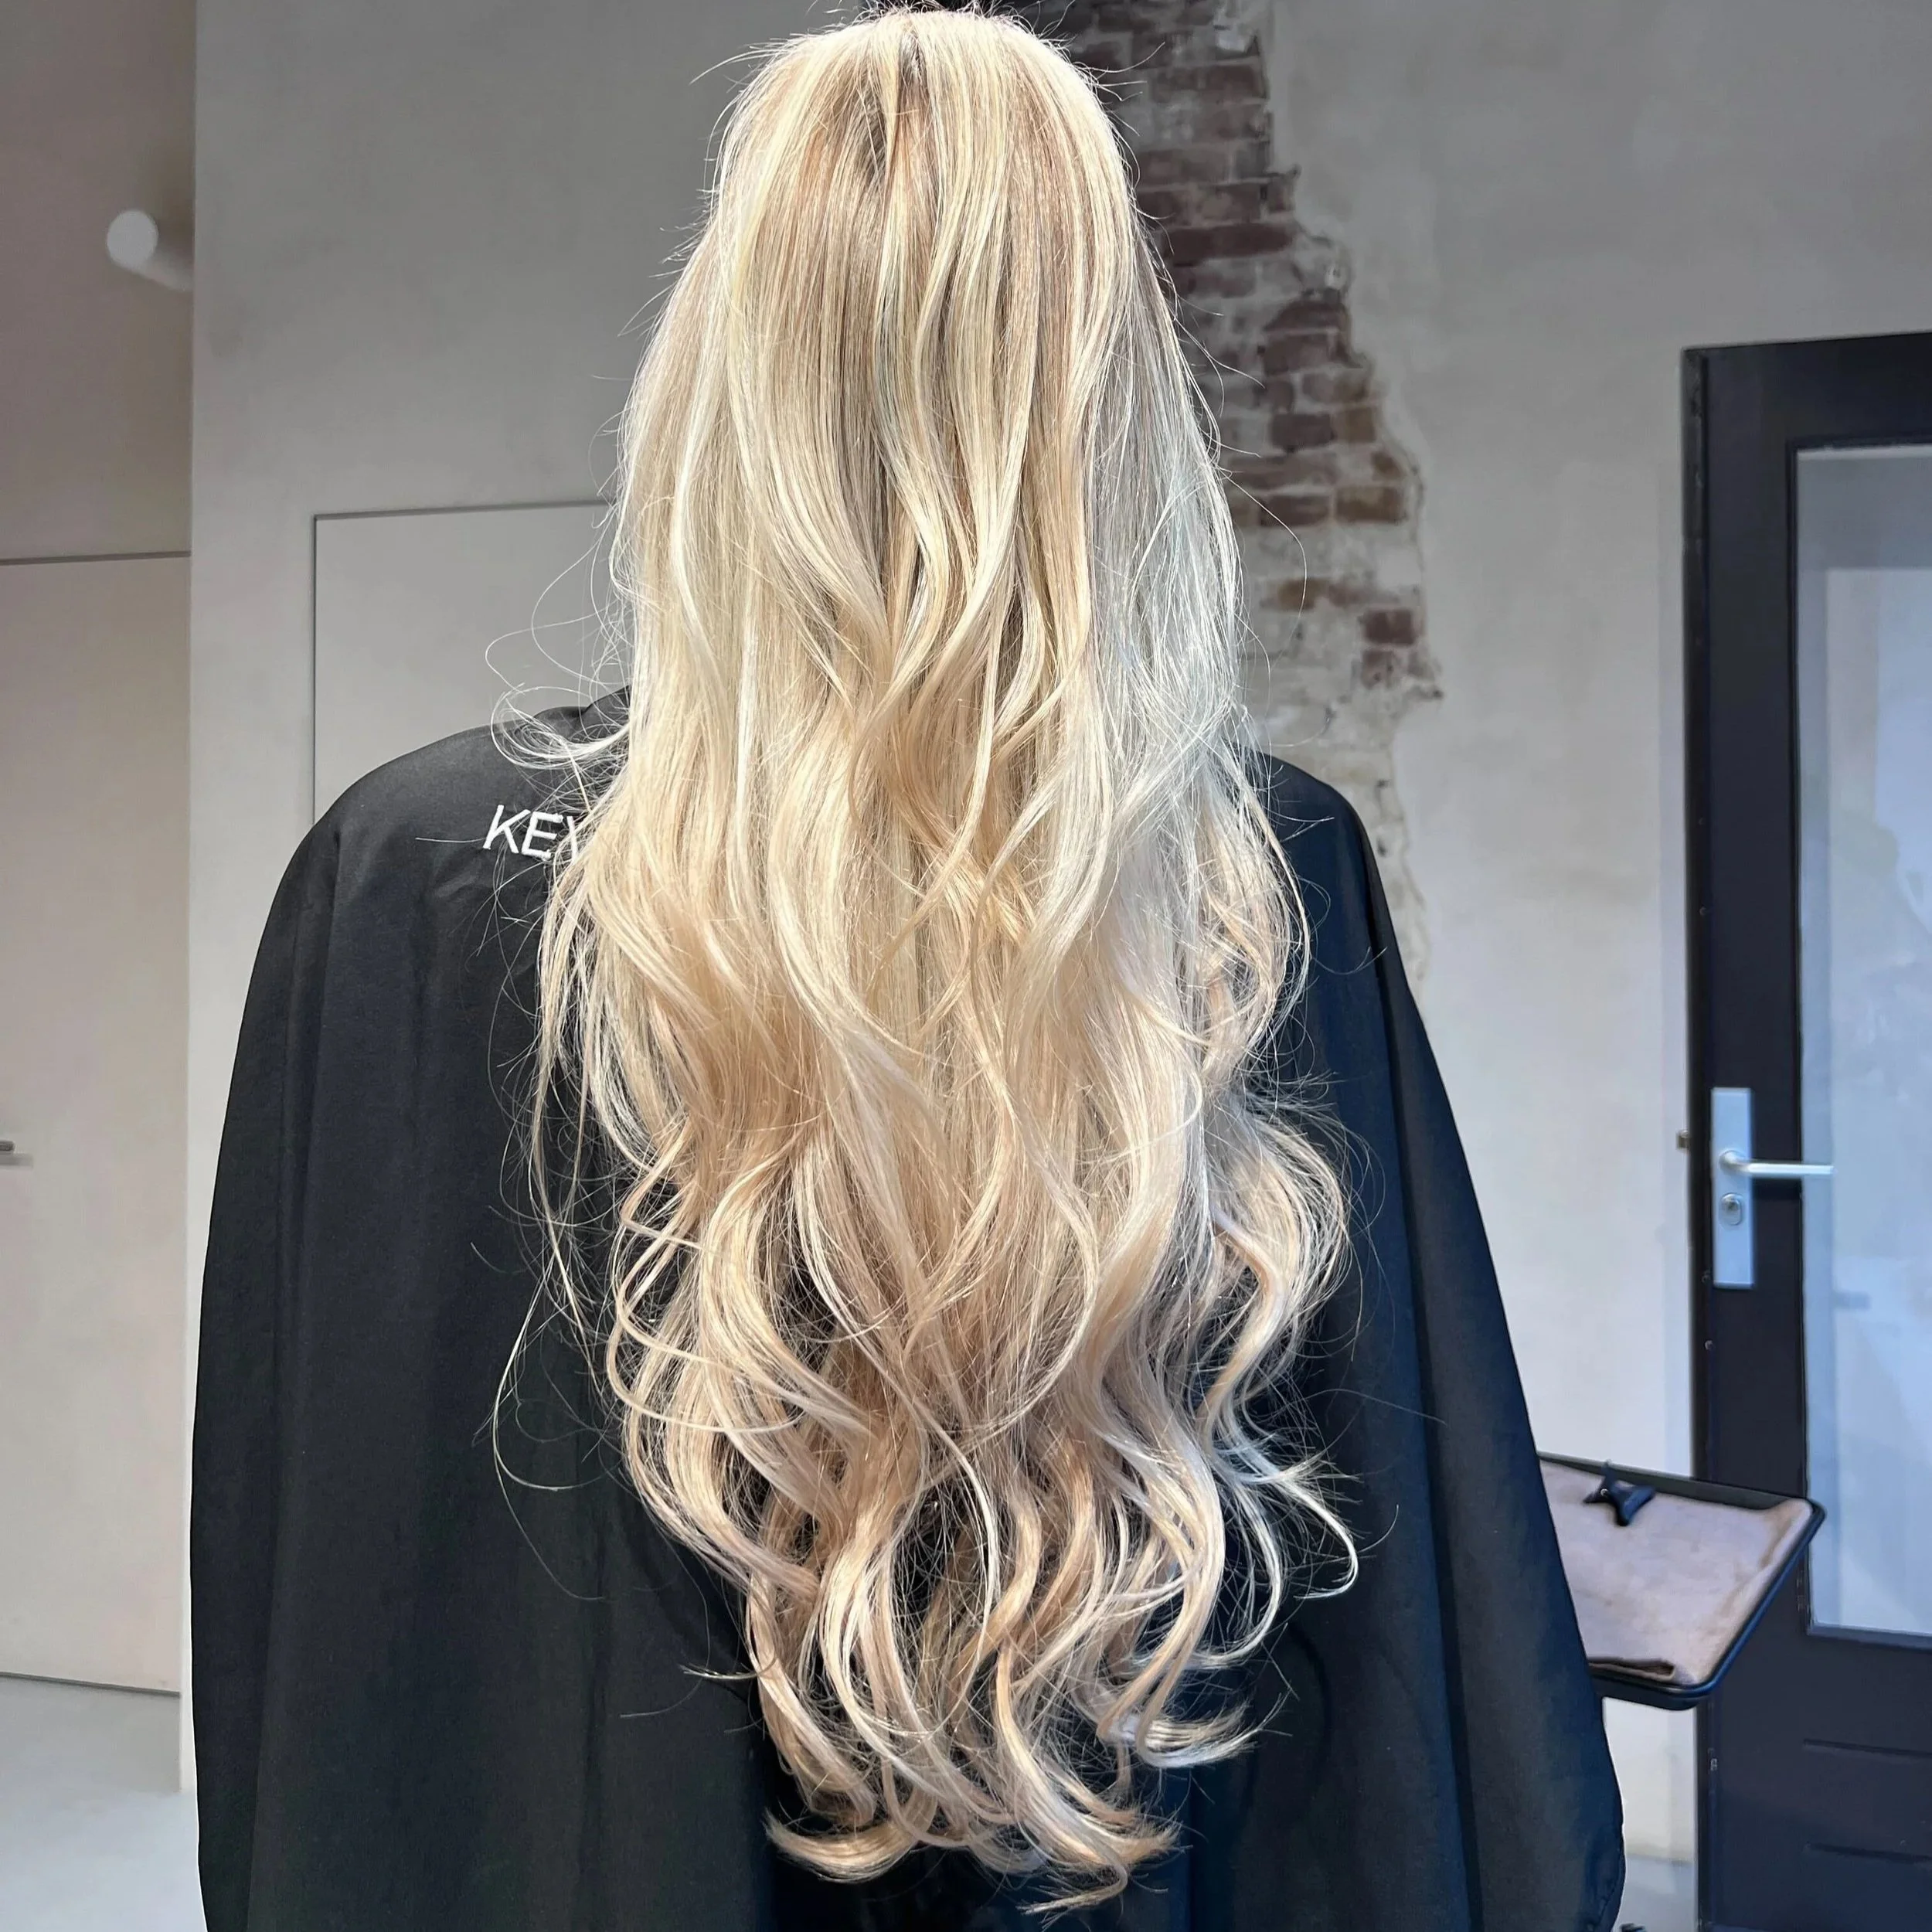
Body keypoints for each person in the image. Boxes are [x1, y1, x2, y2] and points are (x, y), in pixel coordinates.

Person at [191, 9, 1622, 1928]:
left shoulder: (417, 866)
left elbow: (327, 1614)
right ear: (1113, 386)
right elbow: (1431, 1668)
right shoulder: (1251, 868)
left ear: (713, 364)